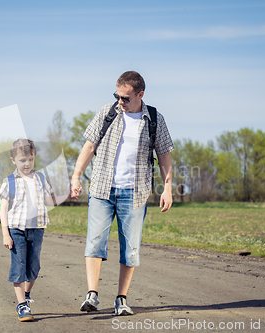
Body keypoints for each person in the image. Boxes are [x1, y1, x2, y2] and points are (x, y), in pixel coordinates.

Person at [70, 71, 175, 316]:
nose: (121, 102)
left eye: (126, 98)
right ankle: (92, 294)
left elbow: (165, 155)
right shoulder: (108, 112)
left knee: (131, 248)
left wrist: (167, 188)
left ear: (140, 95)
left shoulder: (155, 119)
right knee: (95, 241)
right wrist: (76, 176)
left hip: (135, 193)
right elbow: (89, 145)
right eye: (117, 96)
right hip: (102, 190)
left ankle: (121, 298)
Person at [0, 139, 68, 322]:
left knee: (33, 266)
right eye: (22, 160)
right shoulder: (9, 182)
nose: (27, 163)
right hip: (16, 229)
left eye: (30, 159)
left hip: (37, 228)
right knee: (19, 265)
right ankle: (22, 305)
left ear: (34, 157)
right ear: (13, 160)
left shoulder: (41, 178)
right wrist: (5, 233)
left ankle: (26, 295)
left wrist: (66, 195)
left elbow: (48, 201)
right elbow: (3, 208)